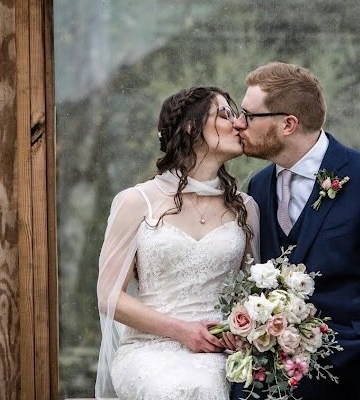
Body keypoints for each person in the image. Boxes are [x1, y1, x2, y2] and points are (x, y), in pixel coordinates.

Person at [232, 62, 360, 399]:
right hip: (292, 355)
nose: (237, 124)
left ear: (288, 124)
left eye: (248, 115)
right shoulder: (257, 186)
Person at [95, 87, 259, 400]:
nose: (238, 123)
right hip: (149, 349)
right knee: (172, 388)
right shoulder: (136, 202)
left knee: (213, 385)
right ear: (190, 127)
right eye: (224, 114)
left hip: (219, 350)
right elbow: (108, 296)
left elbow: (251, 291)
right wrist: (182, 330)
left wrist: (239, 331)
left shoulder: (245, 208)